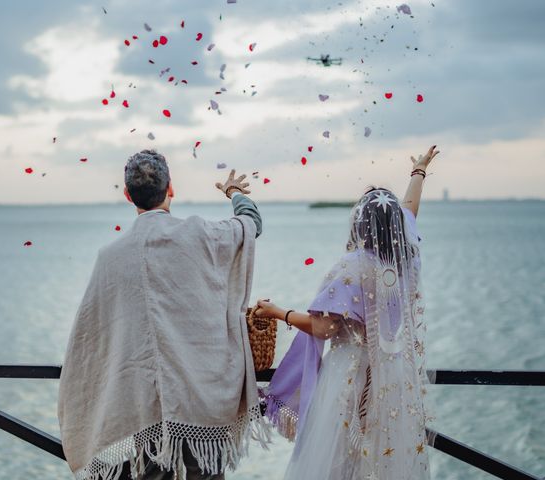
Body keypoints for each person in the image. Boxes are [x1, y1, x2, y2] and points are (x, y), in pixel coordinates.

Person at [58, 150, 268, 480]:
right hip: (203, 406)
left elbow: (90, 338)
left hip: (141, 411)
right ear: (171, 188)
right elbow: (251, 225)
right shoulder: (202, 234)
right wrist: (235, 192)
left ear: (128, 195)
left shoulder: (110, 257)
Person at [255, 146, 440, 480]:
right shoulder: (407, 260)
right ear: (396, 225)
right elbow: (410, 211)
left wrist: (278, 312)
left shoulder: (352, 266)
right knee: (382, 455)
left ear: (360, 223)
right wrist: (419, 173)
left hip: (351, 375)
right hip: (393, 373)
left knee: (340, 458)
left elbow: (323, 327)